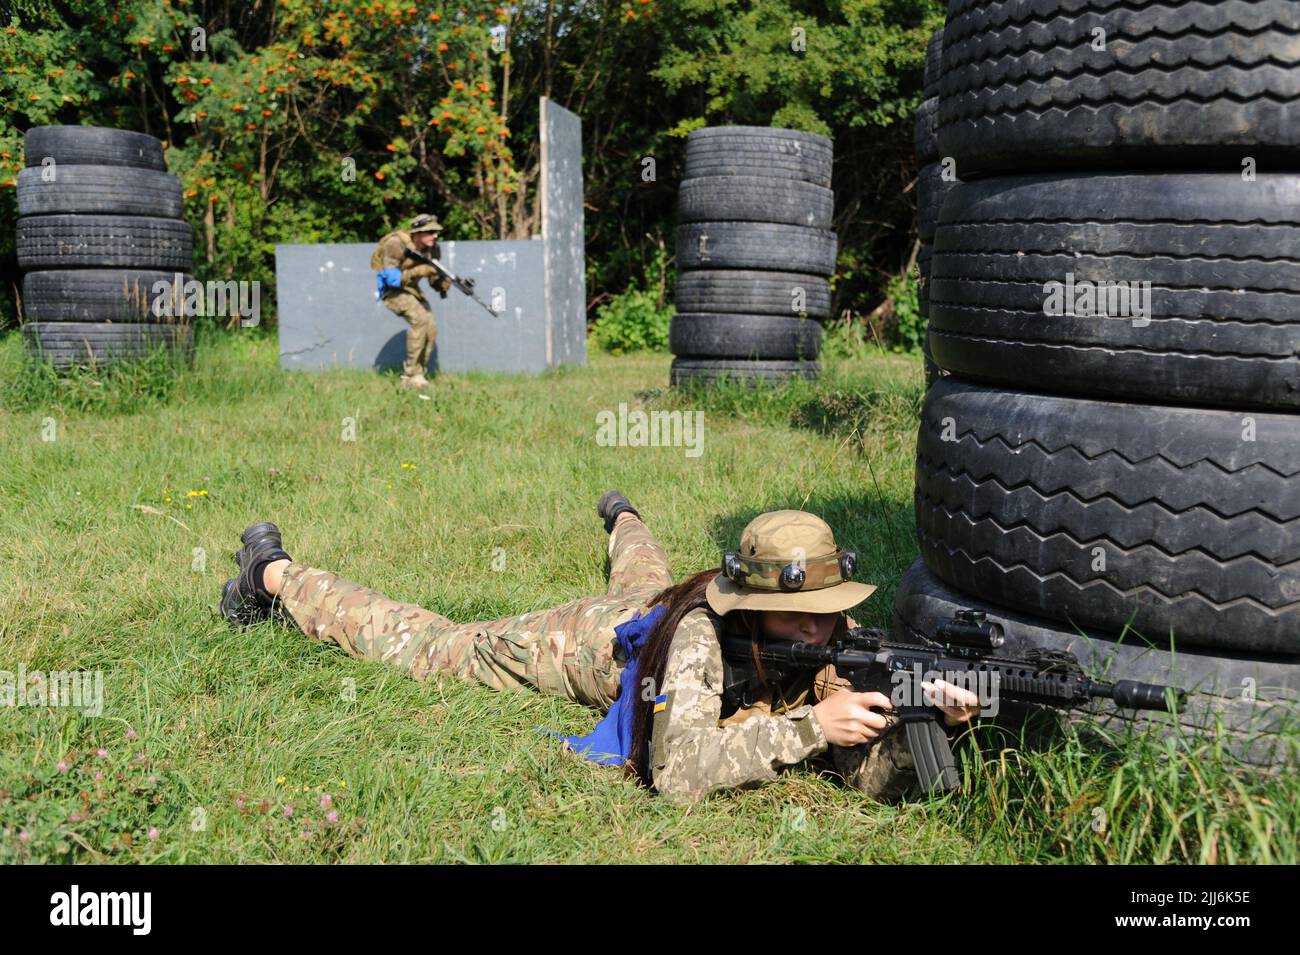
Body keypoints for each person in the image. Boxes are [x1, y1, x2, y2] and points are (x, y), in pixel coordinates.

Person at [218, 494, 981, 801]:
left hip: (656, 601)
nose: (821, 627)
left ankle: (622, 514)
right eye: (801, 615)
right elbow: (677, 774)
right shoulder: (699, 639)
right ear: (752, 608)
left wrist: (930, 727)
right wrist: (813, 726)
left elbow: (863, 774)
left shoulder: (834, 641)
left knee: (645, 567)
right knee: (438, 645)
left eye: (826, 611)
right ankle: (275, 574)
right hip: (596, 642)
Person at [371, 213, 452, 389]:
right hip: (392, 291)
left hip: (411, 290)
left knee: (430, 327)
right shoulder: (395, 244)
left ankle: (419, 373)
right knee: (420, 320)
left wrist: (442, 283)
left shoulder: (433, 249)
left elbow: (433, 276)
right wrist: (421, 271)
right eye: (430, 232)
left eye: (436, 232)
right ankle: (412, 375)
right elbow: (391, 279)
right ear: (417, 233)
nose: (435, 236)